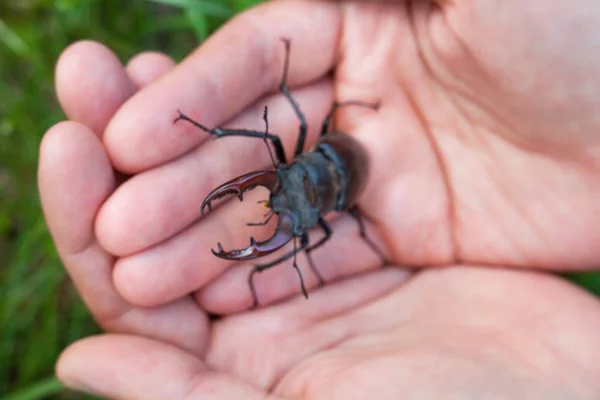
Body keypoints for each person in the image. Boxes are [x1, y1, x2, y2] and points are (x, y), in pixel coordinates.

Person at [38, 1, 600, 398]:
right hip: (332, 165)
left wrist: (271, 261)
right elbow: (311, 224)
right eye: (288, 212)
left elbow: (316, 229)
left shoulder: (323, 211)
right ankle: (220, 148)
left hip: (342, 170)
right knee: (269, 142)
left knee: (277, 145)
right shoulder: (309, 196)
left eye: (293, 224)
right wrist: (274, 253)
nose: (283, 212)